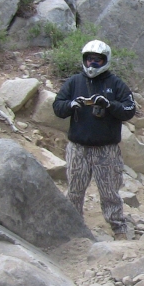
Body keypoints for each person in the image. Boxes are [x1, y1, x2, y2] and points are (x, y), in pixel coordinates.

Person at [53, 40, 136, 240]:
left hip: (106, 150)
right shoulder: (74, 82)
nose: (93, 64)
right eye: (90, 59)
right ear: (84, 59)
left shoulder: (115, 84)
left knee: (110, 192)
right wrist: (72, 104)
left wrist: (109, 104)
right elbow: (58, 106)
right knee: (74, 190)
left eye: (98, 60)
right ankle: (73, 228)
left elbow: (129, 110)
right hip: (78, 147)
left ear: (105, 61)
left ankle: (118, 228)